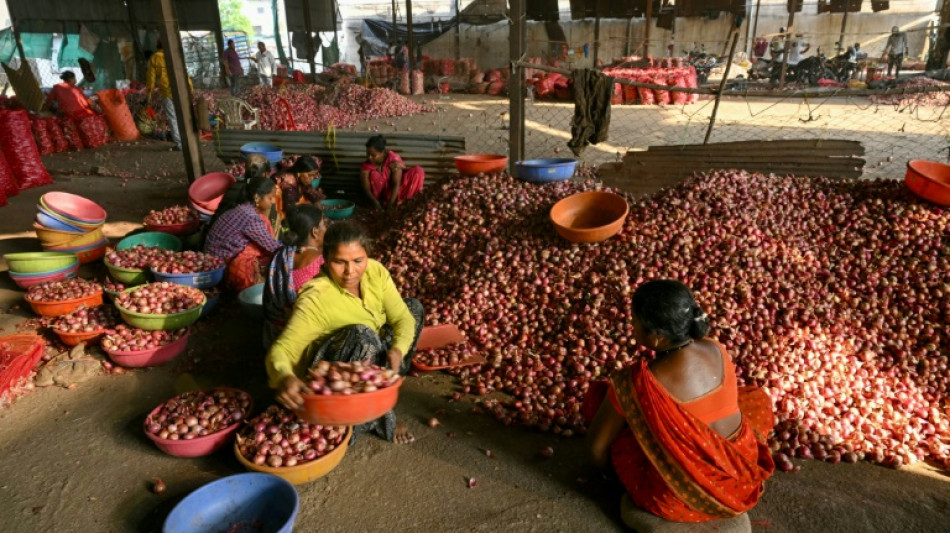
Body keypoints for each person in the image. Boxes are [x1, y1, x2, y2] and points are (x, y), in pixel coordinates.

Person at [584, 279, 774, 527]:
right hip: (740, 484)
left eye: (634, 321)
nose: (631, 325)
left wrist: (611, 476)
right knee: (752, 398)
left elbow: (595, 448)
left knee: (601, 400)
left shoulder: (636, 383)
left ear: (657, 337)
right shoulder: (716, 348)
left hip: (675, 498)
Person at [267, 221, 424, 444]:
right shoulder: (315, 298)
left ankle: (385, 384)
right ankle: (362, 421)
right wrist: (284, 377)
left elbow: (402, 317)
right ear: (326, 258)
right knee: (362, 335)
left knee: (413, 308)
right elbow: (282, 349)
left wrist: (398, 350)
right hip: (335, 365)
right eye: (340, 262)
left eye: (358, 261)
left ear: (367, 256)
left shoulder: (375, 271)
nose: (350, 271)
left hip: (370, 352)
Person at [262, 204, 327, 350]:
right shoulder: (320, 261)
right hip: (300, 334)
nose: (326, 229)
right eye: (323, 225)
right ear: (315, 232)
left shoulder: (280, 255)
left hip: (275, 331)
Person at [204, 175, 282, 291]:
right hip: (218, 266)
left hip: (211, 256)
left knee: (263, 222)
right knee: (271, 254)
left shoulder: (243, 209)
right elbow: (273, 247)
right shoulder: (250, 217)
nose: (272, 202)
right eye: (270, 198)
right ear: (257, 198)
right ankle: (243, 286)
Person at [145, 40, 192, 152]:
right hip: (182, 90)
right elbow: (185, 73)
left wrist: (149, 93)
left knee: (173, 118)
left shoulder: (155, 57)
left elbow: (150, 78)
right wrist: (190, 88)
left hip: (168, 92)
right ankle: (190, 142)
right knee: (185, 116)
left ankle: (180, 145)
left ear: (157, 46)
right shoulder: (175, 56)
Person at [360, 135, 425, 210]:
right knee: (375, 175)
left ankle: (405, 203)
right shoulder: (366, 166)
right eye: (367, 154)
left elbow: (396, 184)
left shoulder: (393, 159)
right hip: (383, 197)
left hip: (397, 191)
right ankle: (385, 203)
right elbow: (366, 188)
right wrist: (375, 202)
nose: (369, 157)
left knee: (418, 170)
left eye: (373, 155)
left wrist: (389, 206)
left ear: (383, 153)